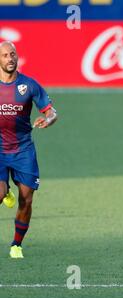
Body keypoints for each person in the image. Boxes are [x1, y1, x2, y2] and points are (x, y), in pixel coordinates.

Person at [0, 41, 58, 259]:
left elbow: (52, 112)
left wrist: (48, 119)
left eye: (12, 54)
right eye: (5, 55)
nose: (10, 59)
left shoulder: (29, 85)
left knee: (27, 199)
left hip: (23, 149)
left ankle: (16, 244)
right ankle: (4, 190)